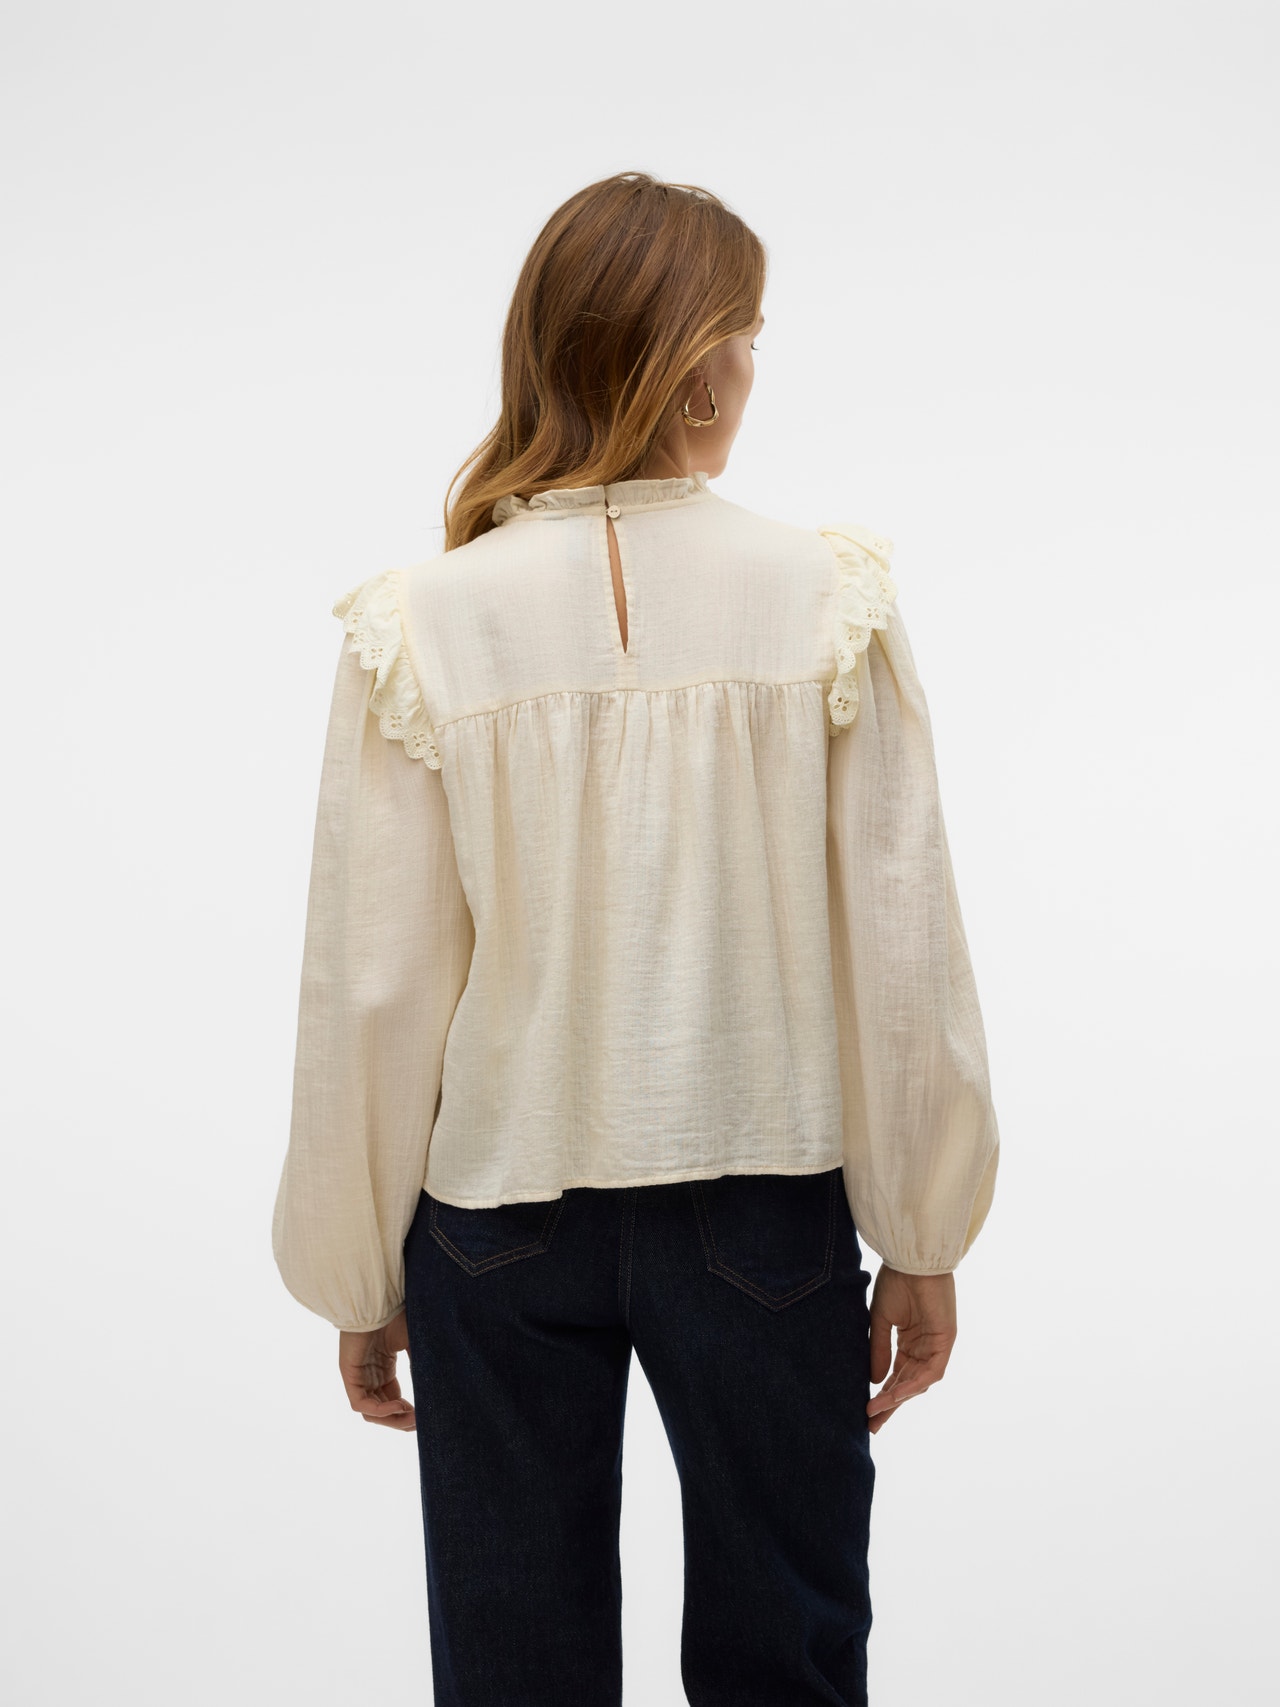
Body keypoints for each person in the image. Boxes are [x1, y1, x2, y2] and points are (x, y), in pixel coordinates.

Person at [271, 169, 1000, 1707]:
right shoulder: (824, 597)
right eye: (749, 336)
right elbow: (902, 945)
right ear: (697, 367)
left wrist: (357, 1269)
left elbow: (373, 984)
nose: (753, 369)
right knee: (786, 1662)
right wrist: (923, 1233)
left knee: (513, 1672)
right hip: (761, 1206)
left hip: (494, 1222)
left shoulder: (428, 620)